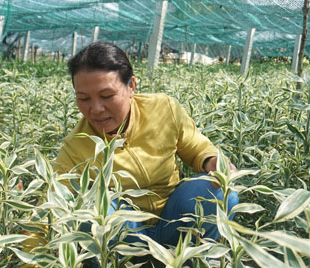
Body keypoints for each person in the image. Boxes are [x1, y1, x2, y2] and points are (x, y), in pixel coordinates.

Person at [53, 41, 239, 246]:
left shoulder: (163, 109)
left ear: (131, 86)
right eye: (83, 98)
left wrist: (211, 161)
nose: (96, 109)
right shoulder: (76, 145)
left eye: (107, 96)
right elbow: (52, 201)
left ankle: (191, 263)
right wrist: (31, 267)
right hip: (126, 234)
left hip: (174, 216)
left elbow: (196, 147)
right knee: (90, 210)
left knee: (221, 192)